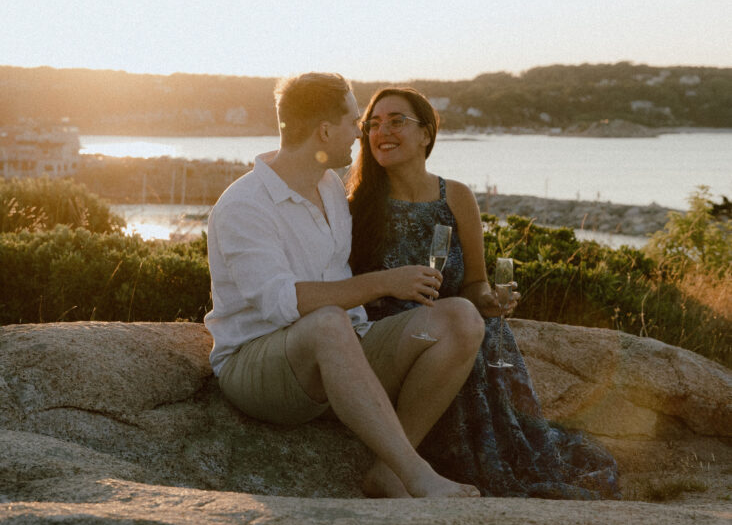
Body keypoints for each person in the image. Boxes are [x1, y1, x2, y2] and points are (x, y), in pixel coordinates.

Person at [204, 72, 486, 499]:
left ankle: (389, 469)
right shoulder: (245, 205)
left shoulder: (331, 186)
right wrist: (386, 282)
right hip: (258, 366)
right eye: (355, 121)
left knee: (460, 319)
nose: (361, 132)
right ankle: (415, 472)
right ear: (324, 130)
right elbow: (282, 304)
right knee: (327, 323)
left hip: (343, 351)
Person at [347, 86, 620, 499]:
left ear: (426, 133)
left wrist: (490, 300)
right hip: (392, 339)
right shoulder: (355, 205)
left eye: (397, 120)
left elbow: (474, 282)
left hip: (457, 324)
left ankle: (408, 464)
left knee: (485, 329)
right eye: (373, 123)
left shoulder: (455, 196)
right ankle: (397, 466)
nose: (382, 130)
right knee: (463, 329)